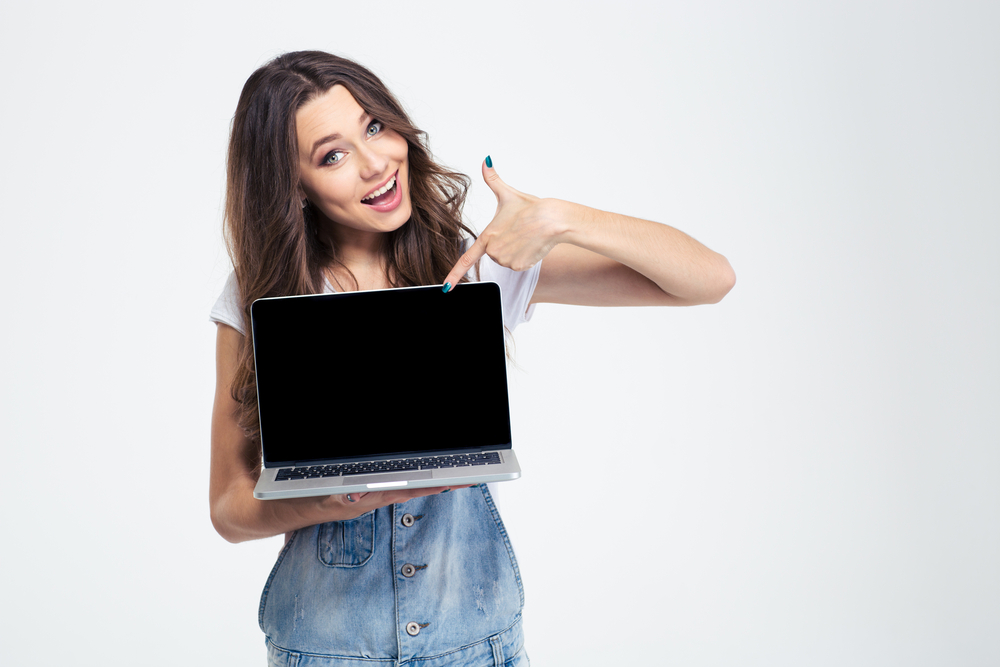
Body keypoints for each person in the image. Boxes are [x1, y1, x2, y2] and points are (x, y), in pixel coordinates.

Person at [210, 50, 735, 666]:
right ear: (292, 185)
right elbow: (229, 506)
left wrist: (560, 219)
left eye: (374, 127)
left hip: (473, 642)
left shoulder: (475, 265)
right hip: (327, 650)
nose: (376, 163)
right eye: (333, 154)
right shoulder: (263, 297)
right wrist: (334, 499)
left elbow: (708, 279)